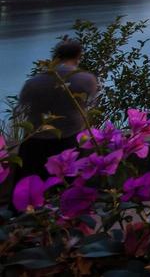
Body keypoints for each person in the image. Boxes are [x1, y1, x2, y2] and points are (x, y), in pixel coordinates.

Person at [16, 37, 100, 177]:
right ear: (78, 56)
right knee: (65, 190)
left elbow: (23, 106)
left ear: (55, 57)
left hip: (34, 143)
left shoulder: (33, 82)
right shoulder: (87, 79)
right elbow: (88, 103)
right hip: (69, 143)